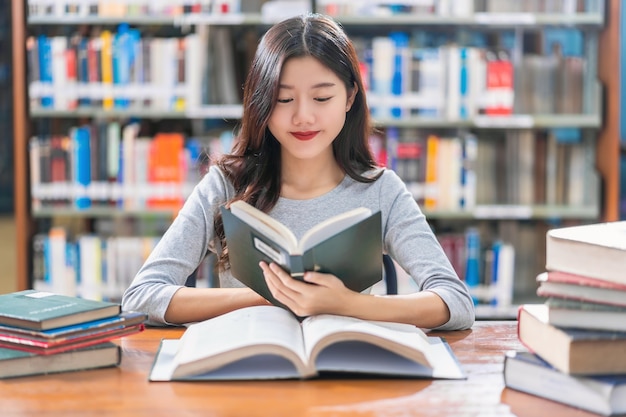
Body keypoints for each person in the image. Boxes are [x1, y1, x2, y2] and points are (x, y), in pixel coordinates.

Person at [122, 13, 475, 331]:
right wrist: (268, 297)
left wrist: (349, 305)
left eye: (322, 99)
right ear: (262, 101)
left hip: (347, 373)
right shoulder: (226, 185)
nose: (303, 117)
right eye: (284, 99)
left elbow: (456, 302)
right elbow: (140, 297)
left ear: (350, 98)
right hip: (248, 371)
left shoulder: (381, 190)